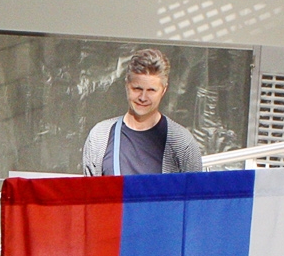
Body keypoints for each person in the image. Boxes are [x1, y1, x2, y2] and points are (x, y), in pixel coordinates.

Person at [82, 48, 204, 177]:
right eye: (137, 89)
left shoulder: (182, 143)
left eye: (151, 90)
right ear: (126, 85)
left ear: (163, 90)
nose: (143, 97)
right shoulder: (100, 137)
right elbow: (90, 189)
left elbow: (196, 189)